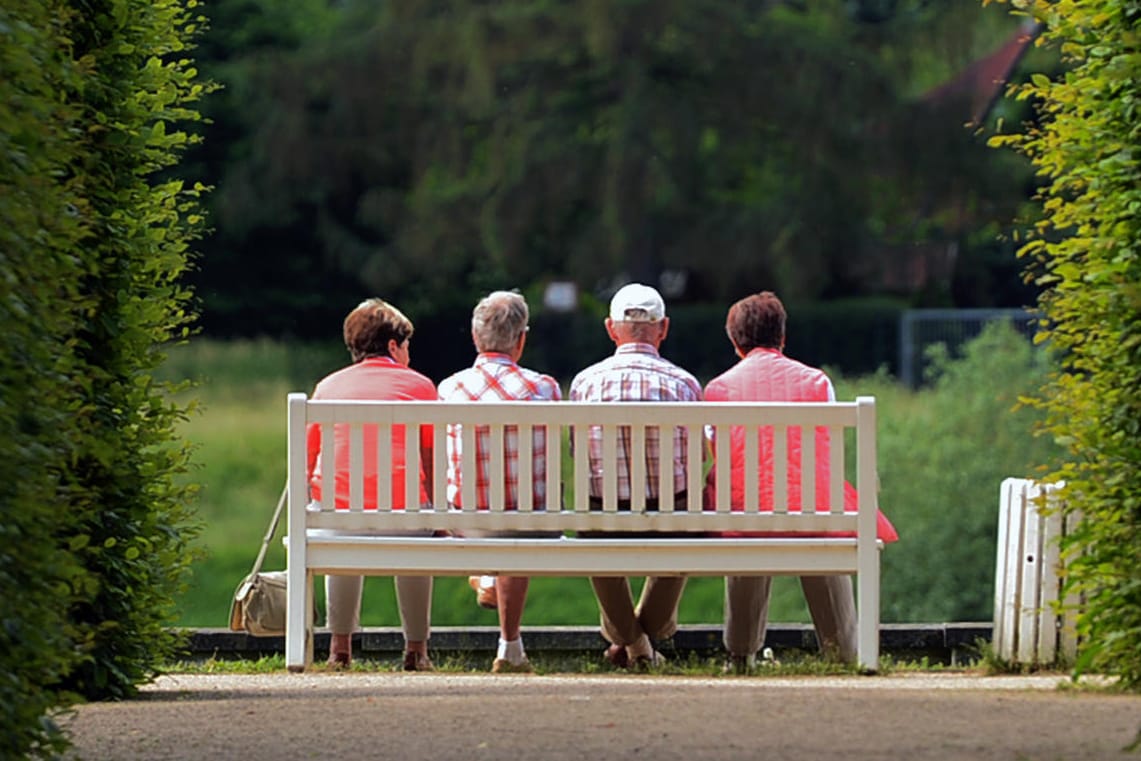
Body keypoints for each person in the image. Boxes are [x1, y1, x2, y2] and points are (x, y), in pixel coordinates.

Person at [701, 291, 899, 672]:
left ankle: (741, 654)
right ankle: (841, 650)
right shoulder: (817, 382)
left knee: (745, 509)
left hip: (744, 516)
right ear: (783, 337)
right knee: (822, 510)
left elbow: (718, 450)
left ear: (734, 341)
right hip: (812, 513)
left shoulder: (718, 389)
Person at [569, 283, 704, 669]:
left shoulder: (585, 383)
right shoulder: (684, 384)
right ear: (663, 328)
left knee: (592, 522)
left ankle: (629, 641)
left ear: (611, 329)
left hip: (603, 519)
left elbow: (577, 453)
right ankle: (645, 640)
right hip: (670, 520)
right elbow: (700, 458)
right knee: (688, 517)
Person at [306, 298, 437, 671]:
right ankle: (416, 649)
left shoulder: (327, 387)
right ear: (394, 346)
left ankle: (339, 648)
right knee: (416, 537)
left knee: (339, 529)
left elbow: (308, 457)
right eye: (407, 345)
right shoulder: (421, 387)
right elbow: (432, 456)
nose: (409, 352)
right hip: (406, 517)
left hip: (337, 516)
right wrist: (439, 510)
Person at [437, 291, 562, 674]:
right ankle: (509, 645)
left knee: (488, 514)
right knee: (517, 516)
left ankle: (485, 575)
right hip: (534, 524)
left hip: (465, 523)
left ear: (476, 339)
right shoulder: (545, 389)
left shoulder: (449, 389)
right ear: (521, 340)